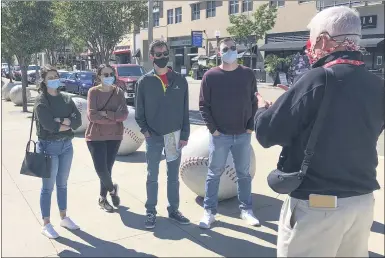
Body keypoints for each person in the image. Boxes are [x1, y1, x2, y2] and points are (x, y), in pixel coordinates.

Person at [254, 6, 384, 257]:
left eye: (311, 41)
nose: (309, 48)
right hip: (361, 203)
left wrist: (262, 109)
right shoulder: (378, 84)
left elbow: (268, 132)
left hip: (318, 206)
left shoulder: (317, 79)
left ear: (323, 40)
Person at [198, 37, 259, 229]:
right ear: (219, 52)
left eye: (233, 48)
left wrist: (251, 126)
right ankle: (209, 212)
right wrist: (214, 130)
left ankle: (246, 210)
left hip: (243, 134)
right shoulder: (210, 76)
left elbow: (254, 100)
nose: (230, 51)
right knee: (213, 174)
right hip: (220, 136)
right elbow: (203, 106)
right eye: (226, 48)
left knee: (243, 174)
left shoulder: (248, 74)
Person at [135, 39, 190, 229]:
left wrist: (185, 134)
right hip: (154, 137)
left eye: (165, 53)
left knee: (173, 177)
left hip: (174, 136)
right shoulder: (144, 82)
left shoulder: (180, 81)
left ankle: (173, 210)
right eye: (158, 54)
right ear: (151, 57)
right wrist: (146, 132)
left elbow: (185, 111)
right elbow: (139, 112)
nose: (162, 57)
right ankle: (151, 210)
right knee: (152, 176)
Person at [34, 65, 82, 239]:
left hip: (66, 147)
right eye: (50, 77)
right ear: (44, 81)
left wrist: (62, 121)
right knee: (47, 188)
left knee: (62, 184)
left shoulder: (67, 98)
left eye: (56, 76)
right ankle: (46, 223)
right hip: (48, 148)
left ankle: (64, 217)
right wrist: (67, 123)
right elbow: (49, 126)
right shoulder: (41, 101)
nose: (54, 79)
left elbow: (77, 122)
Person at [86, 64, 128, 213]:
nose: (109, 77)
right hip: (95, 136)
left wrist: (106, 114)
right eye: (105, 74)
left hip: (115, 136)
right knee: (101, 169)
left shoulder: (119, 92)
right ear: (99, 76)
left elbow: (124, 115)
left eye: (111, 74)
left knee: (107, 169)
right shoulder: (93, 92)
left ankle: (102, 199)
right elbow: (92, 116)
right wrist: (114, 117)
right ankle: (112, 191)